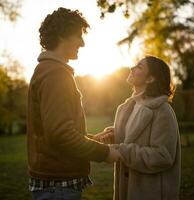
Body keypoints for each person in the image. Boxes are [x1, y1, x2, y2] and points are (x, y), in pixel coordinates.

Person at [26, 7, 120, 200]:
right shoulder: (55, 74)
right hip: (58, 188)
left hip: (54, 185)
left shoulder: (48, 70)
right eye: (78, 36)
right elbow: (60, 134)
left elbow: (55, 131)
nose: (82, 43)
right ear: (62, 35)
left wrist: (93, 139)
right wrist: (104, 153)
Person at [98, 56, 181, 200]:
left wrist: (121, 150)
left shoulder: (163, 110)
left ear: (150, 79)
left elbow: (163, 156)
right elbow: (131, 137)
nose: (132, 68)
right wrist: (114, 135)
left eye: (139, 67)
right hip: (126, 190)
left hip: (150, 192)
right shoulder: (127, 107)